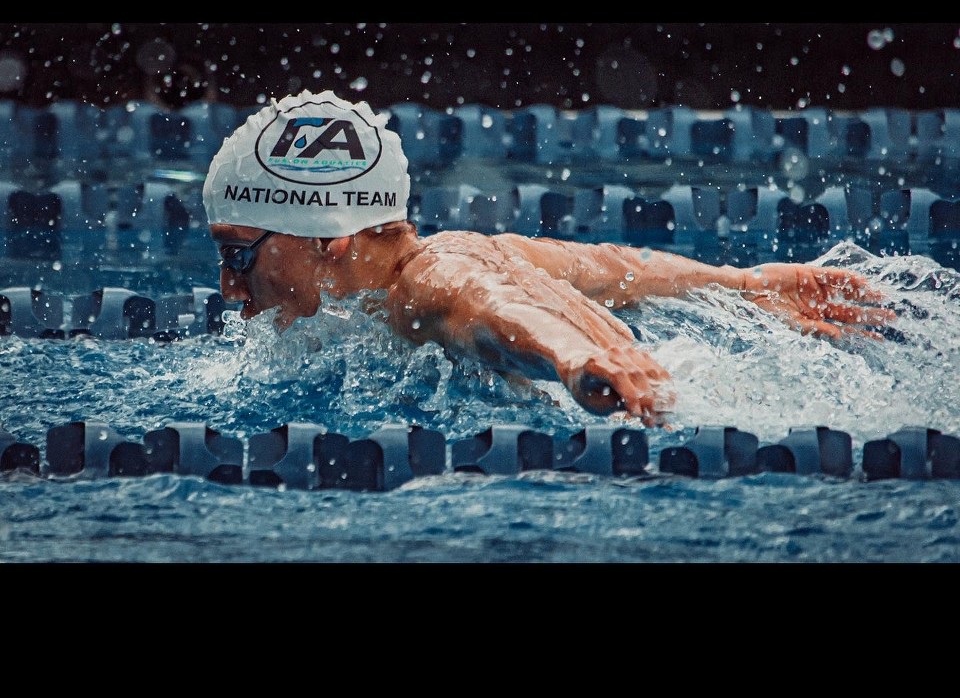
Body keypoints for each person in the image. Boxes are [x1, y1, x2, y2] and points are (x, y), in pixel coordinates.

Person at [203, 90, 895, 425]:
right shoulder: (475, 248)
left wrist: (571, 357)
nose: (231, 289)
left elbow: (489, 310)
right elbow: (608, 267)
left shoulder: (423, 288)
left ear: (328, 238)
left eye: (238, 255)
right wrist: (741, 282)